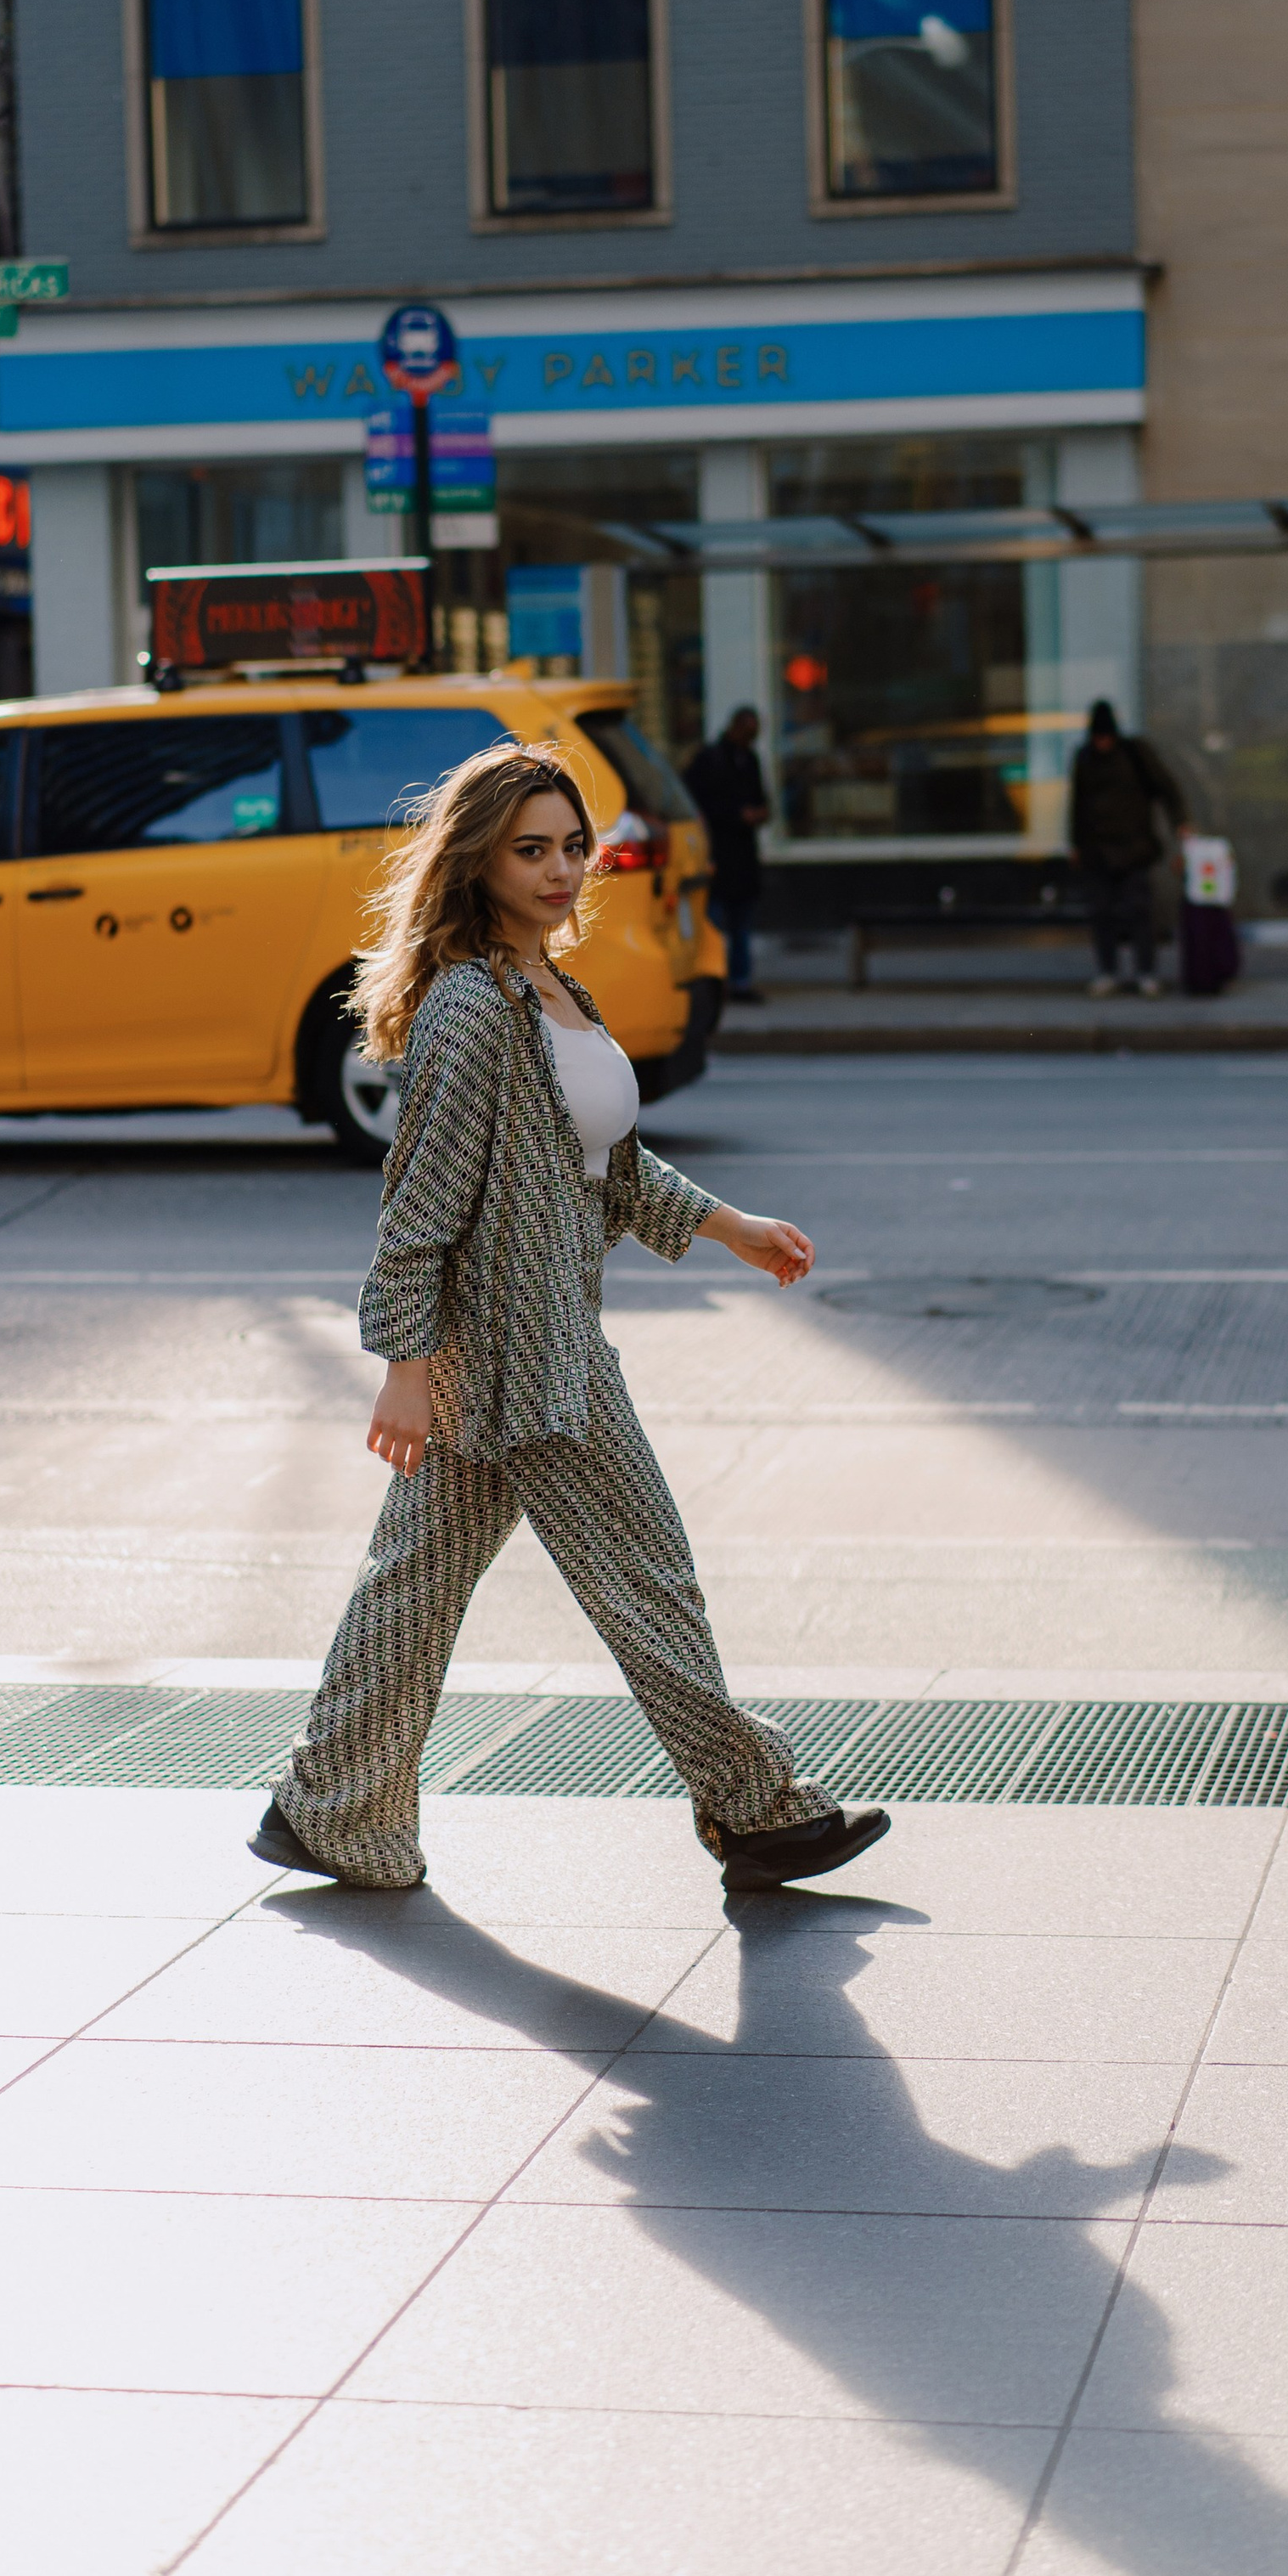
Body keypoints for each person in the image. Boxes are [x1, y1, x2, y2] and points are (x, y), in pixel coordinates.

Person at [251, 736, 889, 1896]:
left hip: (533, 1345)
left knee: (418, 1580)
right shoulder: (470, 1012)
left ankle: (330, 1807)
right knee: (646, 1574)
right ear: (477, 862)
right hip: (518, 1360)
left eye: (573, 847)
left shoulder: (549, 987)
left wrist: (730, 1226)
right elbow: (418, 1207)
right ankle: (754, 1810)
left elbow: (603, 1165)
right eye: (529, 850)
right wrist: (404, 1362)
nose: (560, 870)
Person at [1067, 697, 1187, 1000]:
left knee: (1139, 913)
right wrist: (1076, 844)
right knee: (1102, 913)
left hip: (1134, 848)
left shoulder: (1135, 753)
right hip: (1098, 850)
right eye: (1099, 738)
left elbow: (1167, 788)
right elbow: (1078, 806)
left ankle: (1144, 972)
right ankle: (1108, 971)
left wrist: (1181, 823)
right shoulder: (1084, 758)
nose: (1103, 743)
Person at [686, 704, 769, 1003]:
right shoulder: (712, 761)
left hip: (740, 858)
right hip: (720, 856)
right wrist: (738, 815)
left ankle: (737, 982)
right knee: (719, 925)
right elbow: (699, 806)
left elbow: (761, 800)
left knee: (739, 924)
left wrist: (756, 814)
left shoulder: (748, 760)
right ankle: (719, 982)